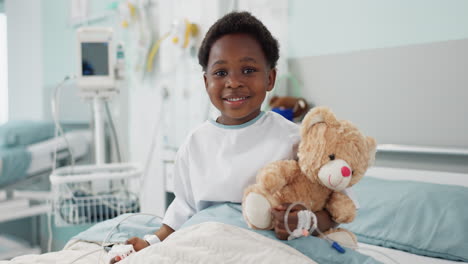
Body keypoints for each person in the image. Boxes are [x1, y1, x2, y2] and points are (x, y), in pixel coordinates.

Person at [126, 11, 354, 252]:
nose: (233, 82)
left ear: (270, 78)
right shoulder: (195, 144)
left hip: (267, 248)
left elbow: (336, 208)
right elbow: (183, 212)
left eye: (248, 70)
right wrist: (150, 243)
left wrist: (305, 220)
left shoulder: (296, 140)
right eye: (221, 73)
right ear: (206, 82)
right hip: (204, 244)